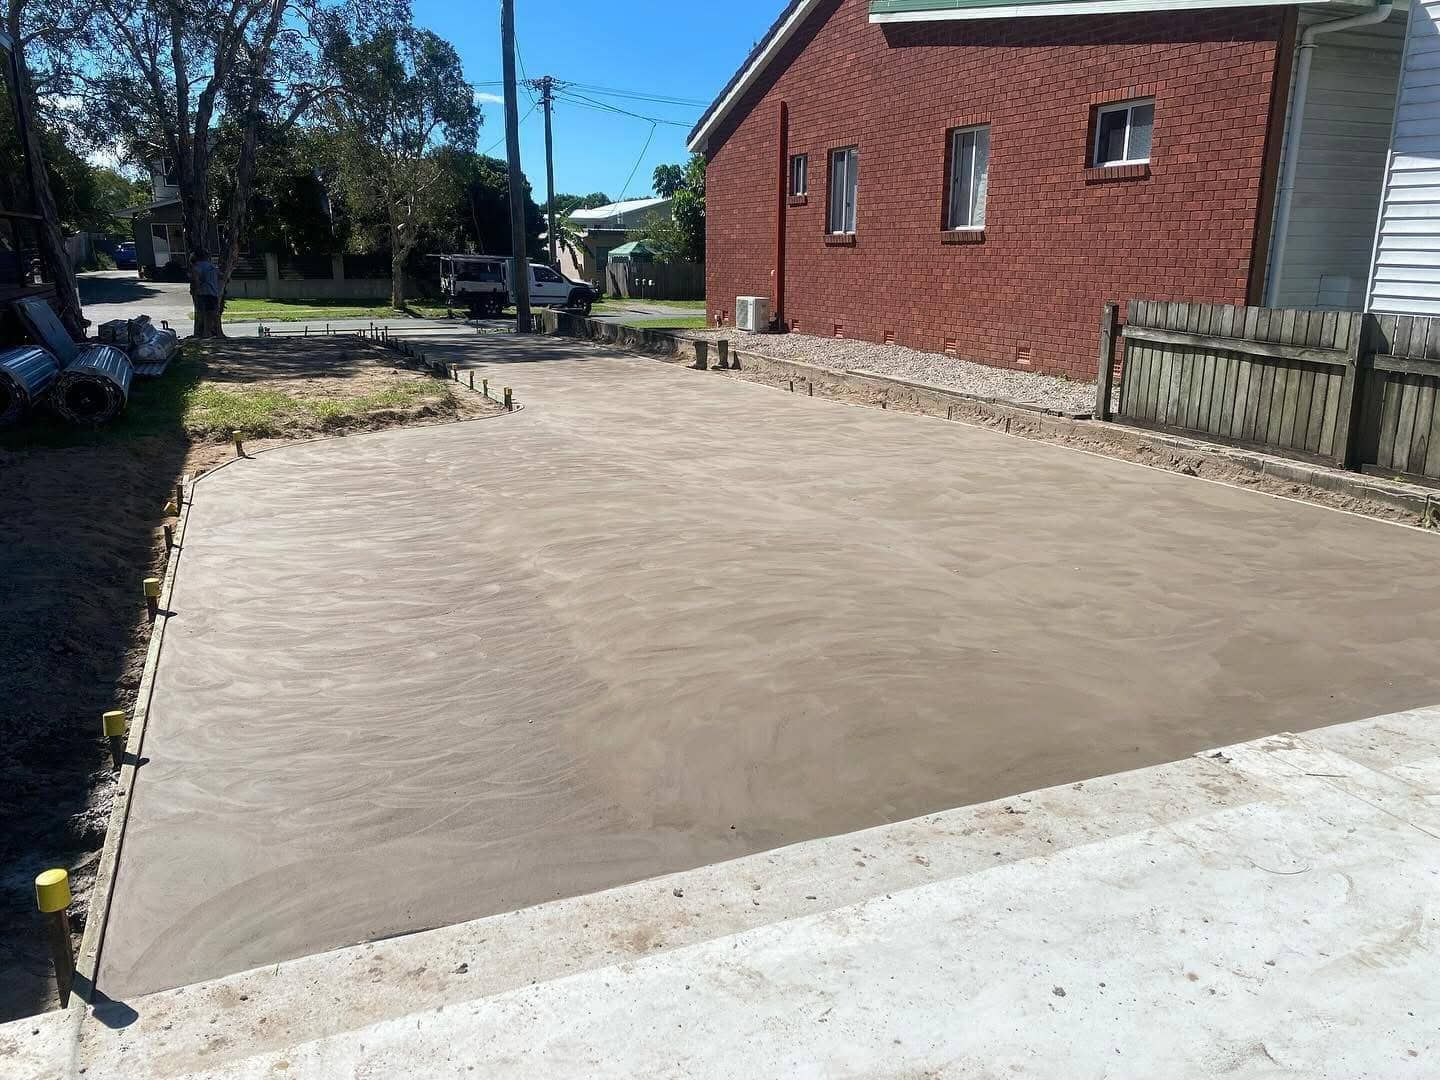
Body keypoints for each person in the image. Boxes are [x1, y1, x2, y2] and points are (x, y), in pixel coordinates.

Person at [190, 248, 222, 339]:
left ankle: (205, 333)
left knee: (204, 314)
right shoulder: (212, 266)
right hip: (213, 292)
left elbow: (195, 279)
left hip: (203, 293)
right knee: (213, 313)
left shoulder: (197, 266)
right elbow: (220, 275)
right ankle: (214, 333)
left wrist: (195, 289)